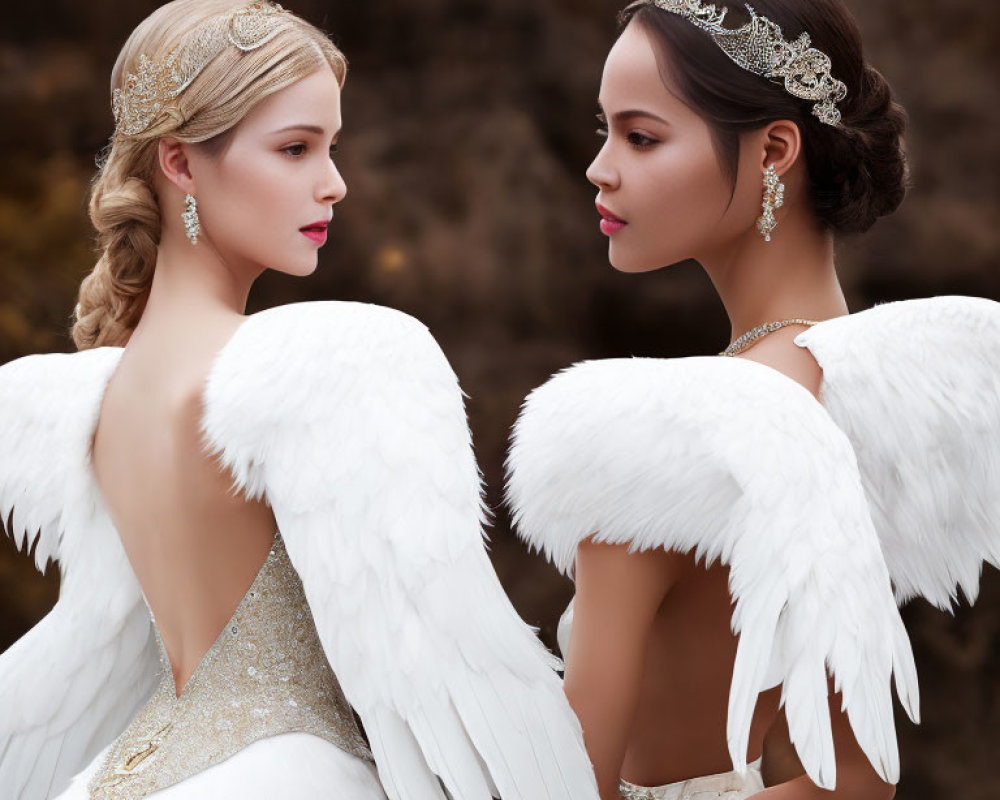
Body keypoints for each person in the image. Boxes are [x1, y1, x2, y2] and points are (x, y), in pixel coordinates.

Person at [0, 2, 600, 799]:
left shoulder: (105, 393)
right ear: (179, 164)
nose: (335, 183)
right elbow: (452, 665)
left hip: (131, 775)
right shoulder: (309, 363)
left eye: (331, 147)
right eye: (295, 149)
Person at [504, 1, 1000, 799]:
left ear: (774, 149)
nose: (600, 167)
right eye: (605, 130)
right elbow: (857, 784)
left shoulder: (653, 433)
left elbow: (569, 783)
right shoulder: (867, 391)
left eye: (640, 136)